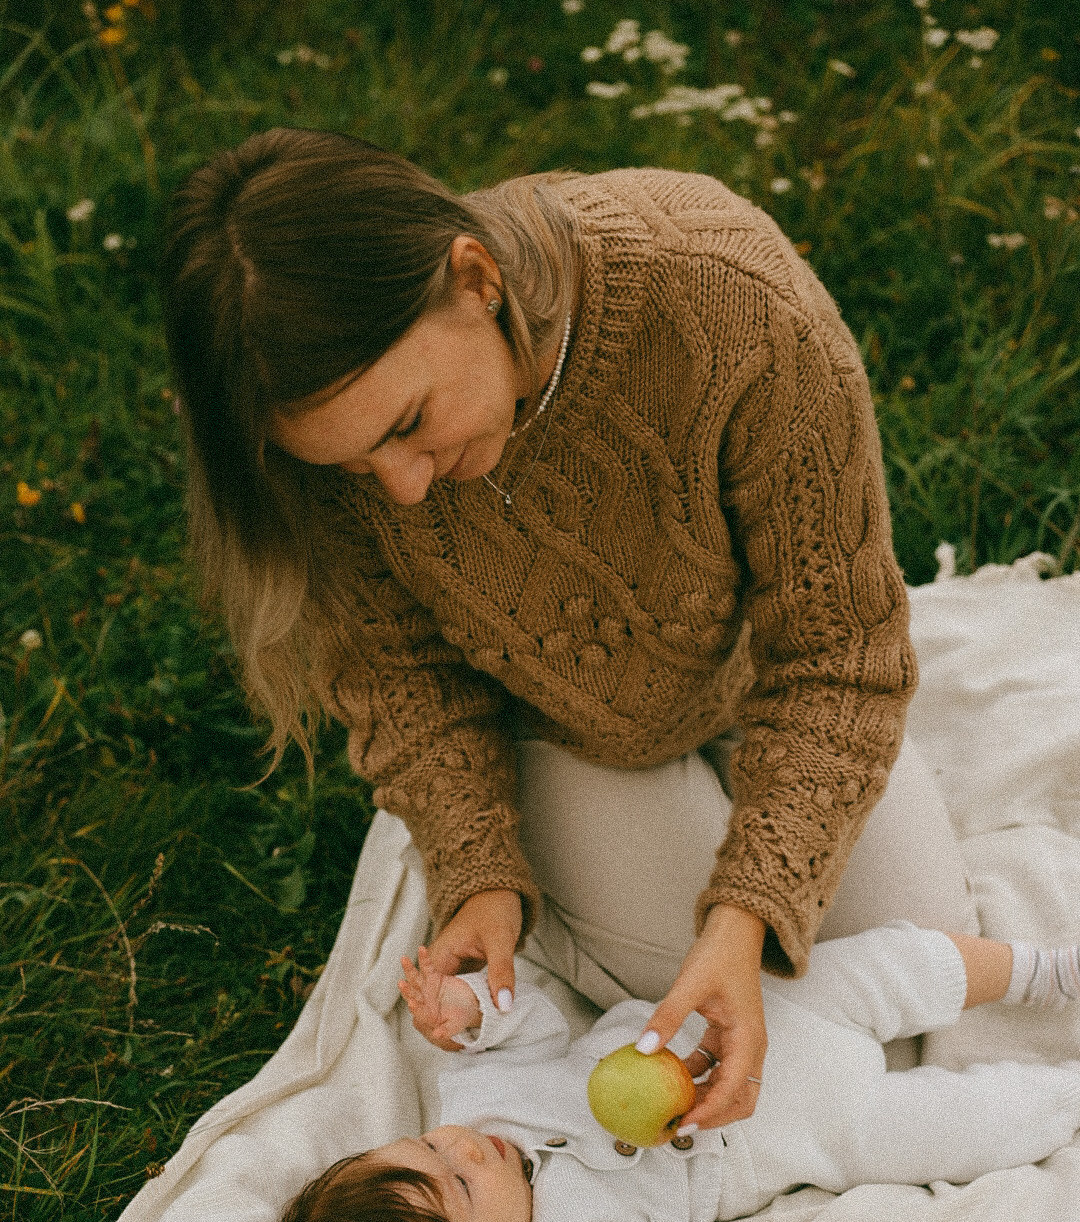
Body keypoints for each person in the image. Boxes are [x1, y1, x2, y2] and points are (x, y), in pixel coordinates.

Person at [161, 130, 978, 1132]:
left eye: (410, 424)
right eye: (355, 470)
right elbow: (405, 680)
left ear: (475, 279)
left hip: (761, 678)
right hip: (562, 735)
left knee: (925, 984)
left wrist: (748, 911)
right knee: (727, 1021)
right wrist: (481, 880)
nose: (404, 490)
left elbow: (838, 656)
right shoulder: (327, 434)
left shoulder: (729, 298)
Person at [279, 931, 1080, 1222]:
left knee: (890, 963)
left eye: (424, 1146)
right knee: (955, 1129)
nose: (456, 1147)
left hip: (736, 1020)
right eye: (457, 1185)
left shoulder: (477, 1099)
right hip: (793, 1132)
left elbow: (533, 1027)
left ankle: (1043, 971)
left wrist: (471, 1013)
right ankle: (1065, 1095)